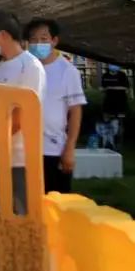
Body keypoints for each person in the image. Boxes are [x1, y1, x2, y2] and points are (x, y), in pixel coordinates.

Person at [0, 11, 46, 216]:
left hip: (19, 157)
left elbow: (23, 112)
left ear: (2, 35)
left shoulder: (30, 66)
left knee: (21, 213)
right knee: (0, 213)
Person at [25, 18, 86, 194]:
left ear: (54, 41)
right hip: (26, 150)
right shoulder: (26, 68)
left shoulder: (67, 71)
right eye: (33, 39)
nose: (38, 44)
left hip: (54, 150)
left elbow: (75, 111)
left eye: (43, 39)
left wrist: (69, 148)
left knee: (55, 202)